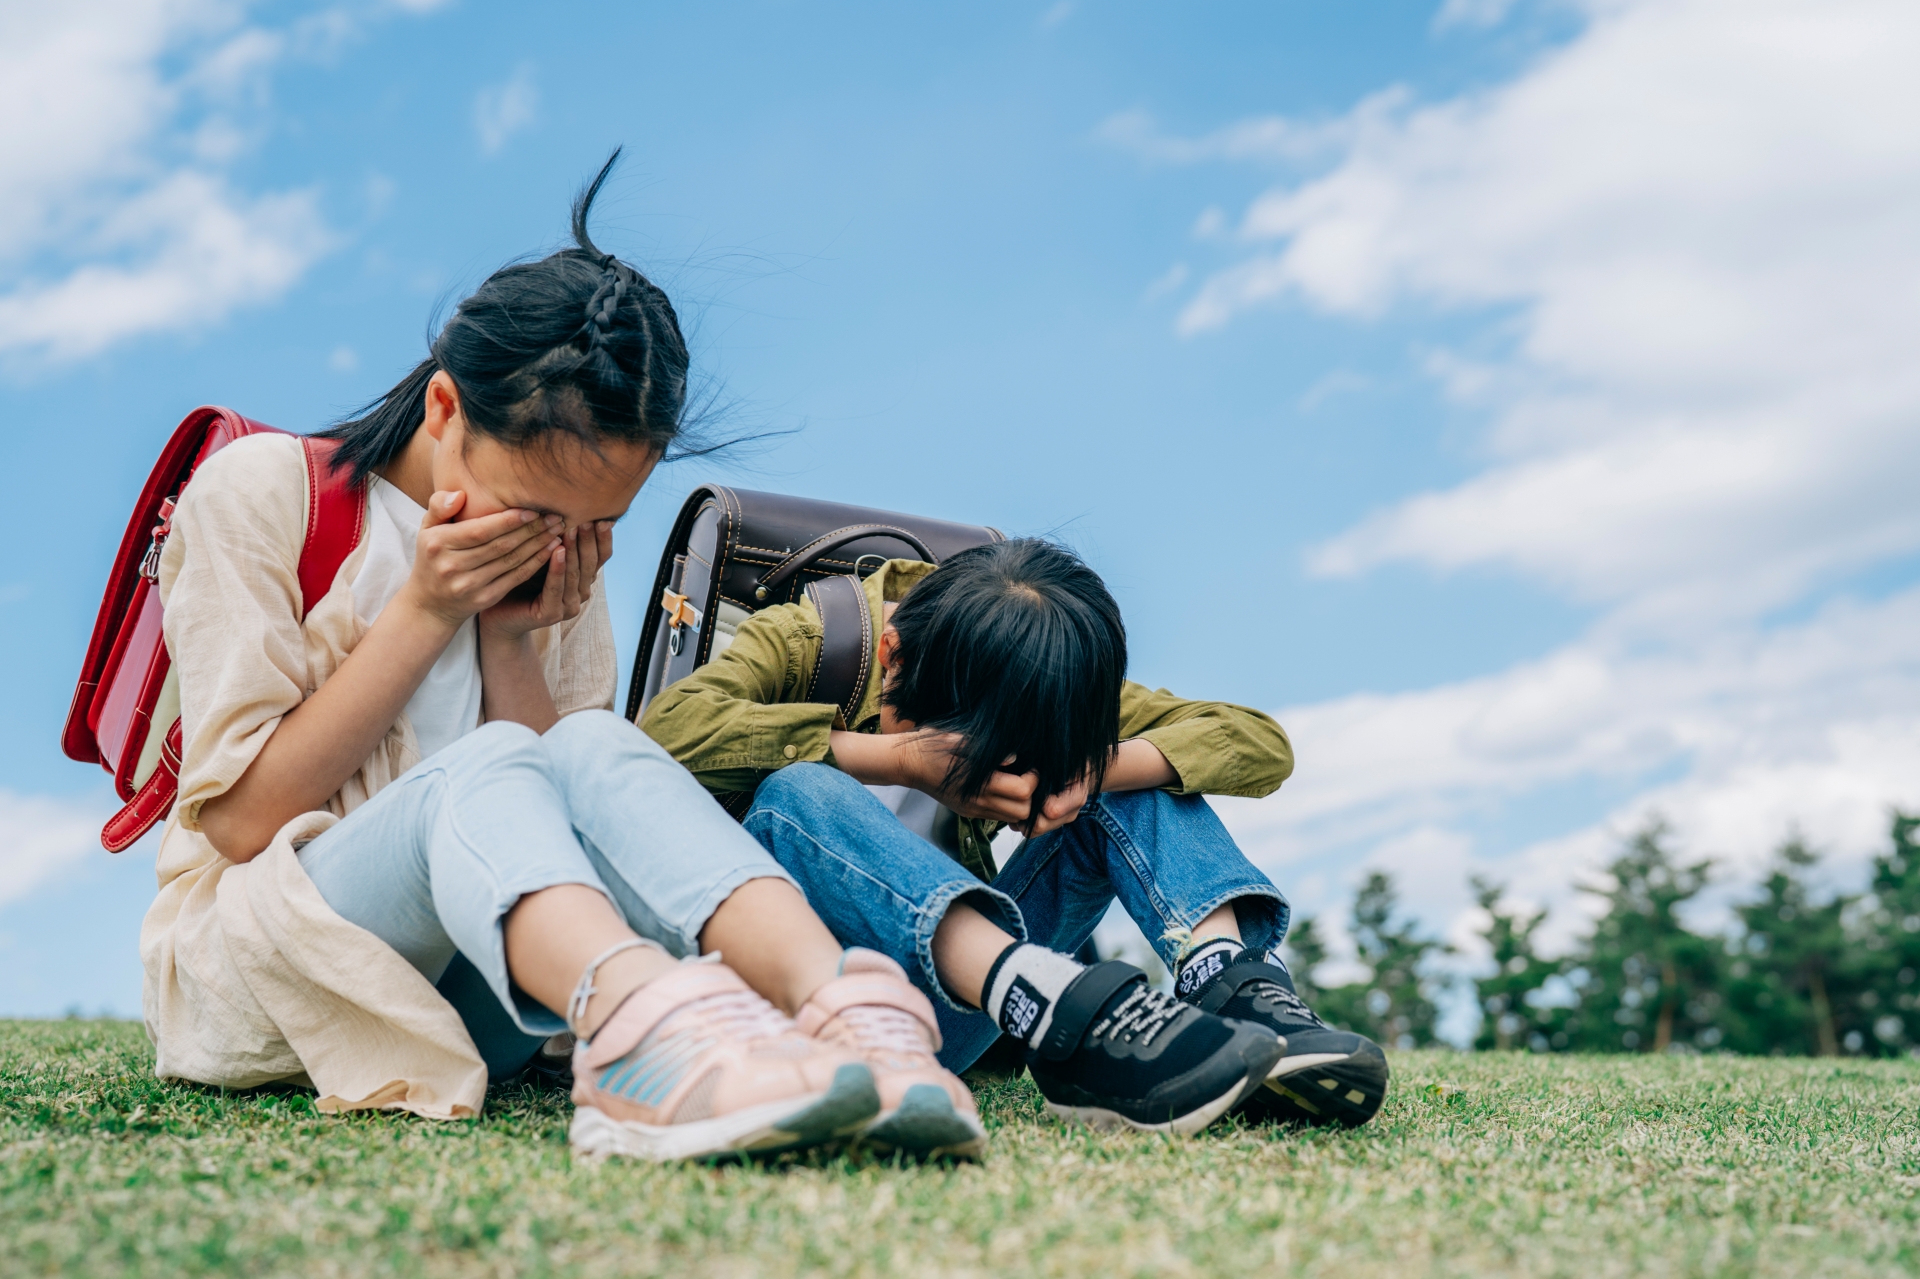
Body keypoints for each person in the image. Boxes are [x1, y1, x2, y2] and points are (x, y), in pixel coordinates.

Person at [142, 153, 986, 1163]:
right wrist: (423, 606)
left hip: (483, 996)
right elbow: (238, 820)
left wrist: (507, 632)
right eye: (534, 509)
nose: (560, 540)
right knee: (494, 767)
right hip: (271, 968)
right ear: (447, 410)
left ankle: (842, 1009)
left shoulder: (557, 549)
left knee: (585, 739)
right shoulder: (261, 493)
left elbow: (578, 808)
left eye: (598, 521)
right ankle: (645, 1034)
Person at [643, 539, 1389, 1133]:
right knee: (800, 791)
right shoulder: (809, 644)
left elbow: (1258, 742)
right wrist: (904, 760)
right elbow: (661, 737)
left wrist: (1088, 768)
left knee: (1126, 773)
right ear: (895, 658)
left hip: (963, 1004)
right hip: (804, 1005)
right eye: (984, 755)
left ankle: (1233, 988)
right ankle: (1061, 1009)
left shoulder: (1025, 669)